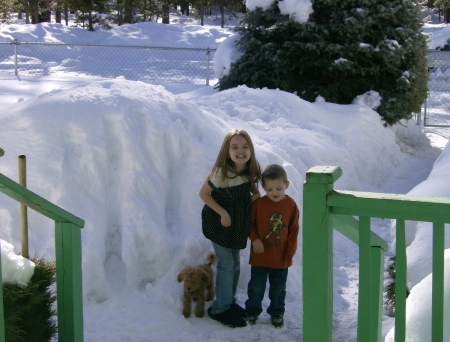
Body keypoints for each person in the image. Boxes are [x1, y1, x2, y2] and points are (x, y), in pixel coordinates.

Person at [199, 129, 261, 328]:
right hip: (220, 224)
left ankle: (229, 302)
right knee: (226, 265)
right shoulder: (221, 173)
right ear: (227, 151)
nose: (240, 151)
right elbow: (203, 194)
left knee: (234, 265)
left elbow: (244, 197)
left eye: (245, 146)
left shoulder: (248, 172)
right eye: (235, 147)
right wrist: (222, 213)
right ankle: (219, 309)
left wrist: (254, 198)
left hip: (236, 226)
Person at [244, 164, 300, 328]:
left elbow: (293, 230)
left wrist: (289, 252)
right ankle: (252, 310)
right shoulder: (259, 205)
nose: (274, 193)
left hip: (280, 257)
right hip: (260, 256)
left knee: (278, 289)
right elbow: (250, 224)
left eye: (279, 188)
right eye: (269, 189)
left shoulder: (291, 206)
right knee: (256, 286)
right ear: (263, 188)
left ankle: (277, 312)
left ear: (286, 185)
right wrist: (254, 239)